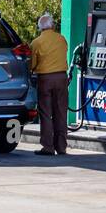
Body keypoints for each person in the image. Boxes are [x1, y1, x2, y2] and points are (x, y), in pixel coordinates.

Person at [30, 13, 70, 156]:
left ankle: (47, 147)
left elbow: (32, 64)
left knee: (46, 113)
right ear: (52, 25)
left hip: (45, 79)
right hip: (61, 78)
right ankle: (61, 147)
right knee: (60, 112)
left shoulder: (36, 43)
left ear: (40, 28)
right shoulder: (61, 39)